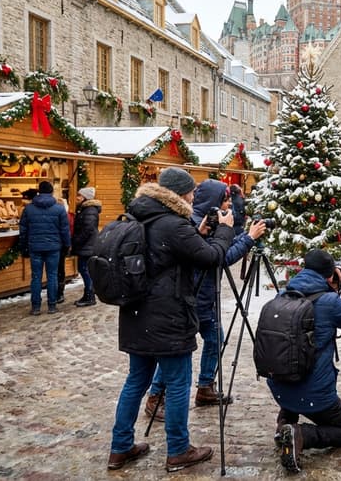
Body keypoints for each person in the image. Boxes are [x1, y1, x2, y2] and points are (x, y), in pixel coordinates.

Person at [108, 167, 234, 473]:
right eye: (190, 192)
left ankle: (120, 447)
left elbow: (167, 253)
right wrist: (225, 231)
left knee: (136, 381)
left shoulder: (140, 215)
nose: (194, 196)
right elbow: (211, 258)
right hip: (167, 315)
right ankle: (178, 450)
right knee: (178, 384)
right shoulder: (174, 224)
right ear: (178, 194)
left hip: (136, 313)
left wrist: (198, 234)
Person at [144, 179, 267, 417]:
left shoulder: (208, 218)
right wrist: (249, 239)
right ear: (214, 200)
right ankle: (156, 396)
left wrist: (238, 232)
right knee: (178, 351)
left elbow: (223, 245)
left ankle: (205, 387)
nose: (230, 202)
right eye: (226, 199)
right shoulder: (191, 222)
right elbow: (219, 258)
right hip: (193, 297)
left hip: (204, 297)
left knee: (215, 337)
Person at [267, 249, 341, 474]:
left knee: (295, 361)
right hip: (314, 395)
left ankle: (284, 422)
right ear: (329, 275)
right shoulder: (329, 302)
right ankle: (299, 434)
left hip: (280, 387)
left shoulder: (283, 294)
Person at [18, 181, 71, 315]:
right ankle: (52, 305)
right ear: (52, 191)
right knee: (52, 275)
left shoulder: (28, 209)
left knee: (36, 276)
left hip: (35, 246)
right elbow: (65, 230)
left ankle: (36, 306)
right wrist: (67, 245)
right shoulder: (59, 209)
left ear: (38, 192)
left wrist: (23, 246)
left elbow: (23, 230)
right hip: (53, 246)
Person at [72, 186, 101, 307]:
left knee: (85, 270)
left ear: (85, 197)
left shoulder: (89, 210)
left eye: (79, 195)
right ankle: (88, 294)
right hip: (87, 245)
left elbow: (88, 229)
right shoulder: (86, 209)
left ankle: (90, 295)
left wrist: (77, 240)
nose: (77, 198)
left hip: (87, 245)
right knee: (84, 270)